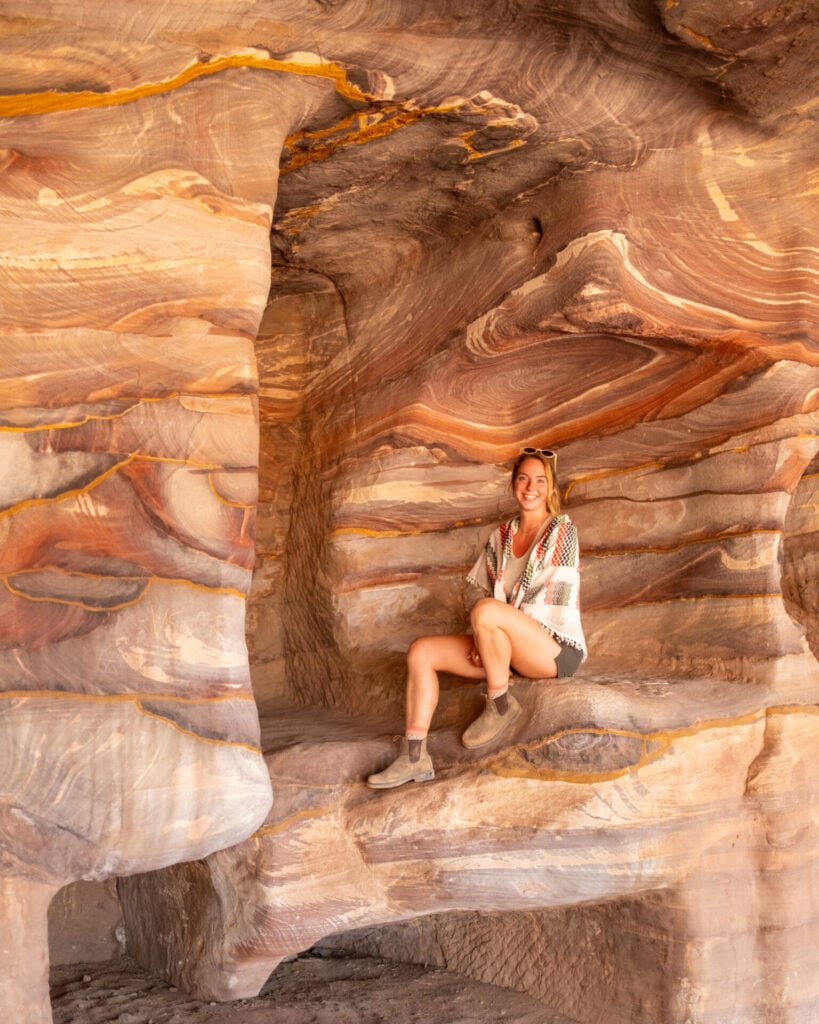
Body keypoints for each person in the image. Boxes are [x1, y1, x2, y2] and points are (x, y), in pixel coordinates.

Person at [367, 446, 586, 789]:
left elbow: (551, 600)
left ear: (552, 489)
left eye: (540, 481)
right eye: (523, 478)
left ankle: (500, 705)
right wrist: (484, 635)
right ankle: (413, 757)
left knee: (485, 612)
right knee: (421, 651)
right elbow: (488, 596)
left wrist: (490, 623)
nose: (531, 487)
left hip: (553, 650)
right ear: (513, 485)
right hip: (506, 645)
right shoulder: (501, 537)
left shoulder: (561, 532)